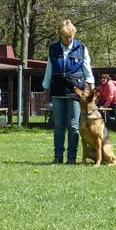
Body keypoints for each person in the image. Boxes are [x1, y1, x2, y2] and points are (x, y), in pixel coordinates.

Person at [42, 19, 95, 164]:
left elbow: (87, 70)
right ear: (60, 35)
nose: (69, 39)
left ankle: (71, 157)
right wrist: (46, 89)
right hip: (57, 91)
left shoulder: (81, 48)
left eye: (71, 36)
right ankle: (58, 157)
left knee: (73, 125)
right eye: (66, 37)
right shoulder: (53, 48)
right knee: (58, 125)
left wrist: (91, 90)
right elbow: (49, 69)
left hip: (75, 92)